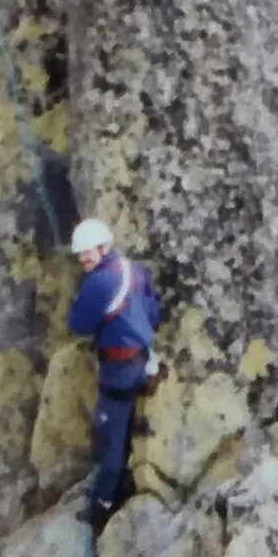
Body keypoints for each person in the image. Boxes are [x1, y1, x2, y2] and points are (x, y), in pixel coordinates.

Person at [66, 217, 162, 530]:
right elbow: (153, 313)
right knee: (115, 428)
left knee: (109, 434)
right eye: (80, 254)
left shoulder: (100, 281)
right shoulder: (133, 269)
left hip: (119, 369)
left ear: (103, 247)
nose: (83, 259)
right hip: (143, 359)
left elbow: (78, 324)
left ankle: (104, 503)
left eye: (87, 253)